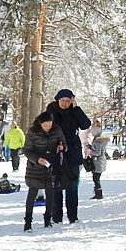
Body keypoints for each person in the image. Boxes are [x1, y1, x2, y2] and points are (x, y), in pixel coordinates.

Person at [45, 89, 91, 223]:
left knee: (72, 186)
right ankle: (56, 217)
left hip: (72, 152)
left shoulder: (74, 112)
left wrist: (77, 109)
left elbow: (86, 124)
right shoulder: (50, 112)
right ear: (57, 100)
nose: (65, 103)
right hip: (55, 152)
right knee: (55, 186)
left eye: (68, 101)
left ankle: (73, 216)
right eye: (62, 100)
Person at [22, 111, 66, 230]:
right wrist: (36, 159)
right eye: (45, 125)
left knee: (50, 192)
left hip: (51, 164)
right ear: (40, 123)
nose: (48, 127)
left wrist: (63, 147)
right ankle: (28, 221)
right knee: (33, 193)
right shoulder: (33, 132)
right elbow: (26, 150)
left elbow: (63, 144)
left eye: (50, 124)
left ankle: (48, 219)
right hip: (35, 166)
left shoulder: (56, 130)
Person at [86, 121, 111, 198]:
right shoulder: (99, 140)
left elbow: (97, 152)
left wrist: (90, 152)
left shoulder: (98, 141)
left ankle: (98, 194)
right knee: (96, 178)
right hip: (100, 161)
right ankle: (98, 193)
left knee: (96, 178)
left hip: (98, 161)